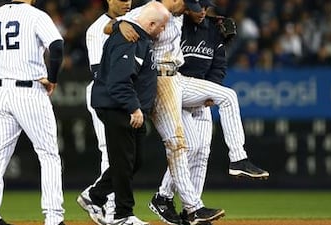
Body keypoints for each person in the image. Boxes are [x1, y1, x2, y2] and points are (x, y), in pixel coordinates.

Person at [148, 2, 270, 225]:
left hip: (197, 92)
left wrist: (206, 93)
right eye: (197, 6)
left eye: (205, 6)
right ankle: (238, 159)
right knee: (230, 97)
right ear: (185, 6)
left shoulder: (214, 29)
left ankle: (188, 209)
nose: (202, 10)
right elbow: (163, 10)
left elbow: (219, 66)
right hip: (174, 85)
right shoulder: (174, 23)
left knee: (199, 151)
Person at [106, 0, 225, 225]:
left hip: (175, 77)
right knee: (177, 144)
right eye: (192, 5)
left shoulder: (179, 14)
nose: (196, 9)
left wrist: (213, 25)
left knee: (193, 145)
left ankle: (177, 202)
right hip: (158, 78)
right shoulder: (150, 9)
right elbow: (107, 27)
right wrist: (119, 25)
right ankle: (191, 207)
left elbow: (196, 17)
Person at [0, 1, 65, 225]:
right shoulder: (36, 15)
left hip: (1, 93)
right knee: (48, 155)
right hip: (30, 91)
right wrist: (53, 78)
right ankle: (54, 217)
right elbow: (56, 46)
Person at [79, 2, 170, 225]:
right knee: (120, 159)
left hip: (126, 103)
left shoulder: (134, 30)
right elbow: (116, 79)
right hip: (117, 104)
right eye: (161, 26)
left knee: (133, 160)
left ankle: (94, 195)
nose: (163, 31)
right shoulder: (128, 38)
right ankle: (121, 214)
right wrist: (133, 106)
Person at [76, 0, 132, 223]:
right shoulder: (97, 28)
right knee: (110, 150)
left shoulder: (134, 20)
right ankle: (107, 207)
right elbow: (101, 71)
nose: (126, 2)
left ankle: (98, 199)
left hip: (124, 91)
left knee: (124, 153)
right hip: (105, 91)